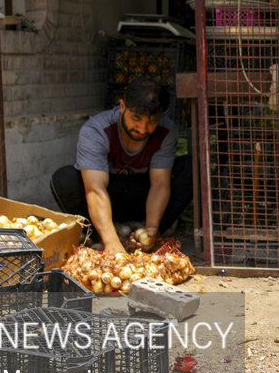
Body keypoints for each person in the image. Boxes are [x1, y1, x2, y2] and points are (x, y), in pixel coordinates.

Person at [50, 78, 192, 254]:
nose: (142, 128)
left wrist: (152, 228)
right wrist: (111, 242)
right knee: (64, 178)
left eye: (151, 122)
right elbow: (95, 190)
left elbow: (160, 184)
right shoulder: (96, 130)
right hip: (108, 195)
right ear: (122, 106)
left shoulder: (166, 132)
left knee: (190, 168)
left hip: (143, 195)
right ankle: (99, 236)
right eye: (136, 119)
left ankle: (151, 236)